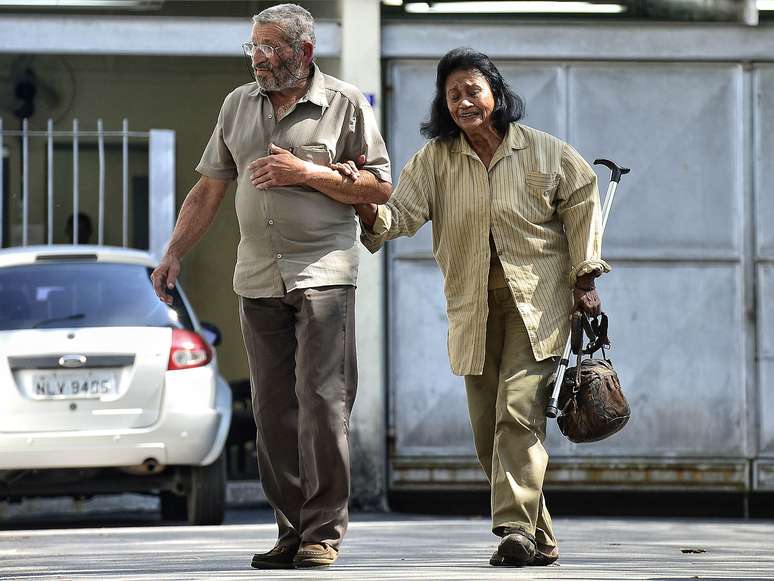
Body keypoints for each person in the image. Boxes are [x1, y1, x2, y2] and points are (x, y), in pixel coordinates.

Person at [151, 4, 391, 570]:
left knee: (323, 404)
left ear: (303, 52)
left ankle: (323, 532)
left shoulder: (346, 103)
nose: (258, 58)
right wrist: (173, 252)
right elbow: (208, 189)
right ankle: (290, 527)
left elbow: (380, 189)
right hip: (257, 277)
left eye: (270, 48)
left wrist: (306, 173)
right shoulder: (237, 105)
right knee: (273, 408)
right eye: (252, 48)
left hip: (324, 274)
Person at [353, 47, 609, 567]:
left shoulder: (545, 152)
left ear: (495, 92)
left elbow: (583, 199)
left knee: (518, 410)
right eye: (453, 95)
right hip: (472, 306)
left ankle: (513, 530)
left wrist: (584, 278)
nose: (464, 102)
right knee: (485, 425)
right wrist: (360, 196)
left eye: (473, 90)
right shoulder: (435, 161)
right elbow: (397, 216)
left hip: (538, 302)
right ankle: (541, 537)